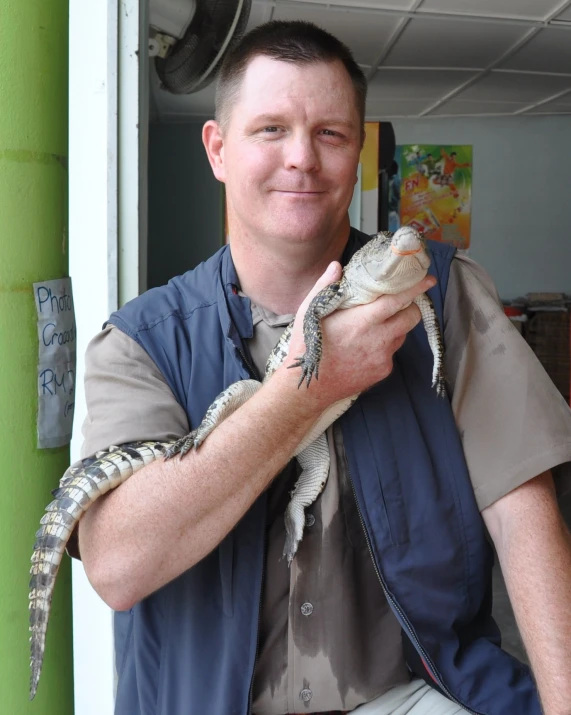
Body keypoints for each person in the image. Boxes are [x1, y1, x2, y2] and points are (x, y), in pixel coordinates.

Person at [73, 20, 571, 715]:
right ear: (217, 150)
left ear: (358, 154)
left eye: (330, 134)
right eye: (270, 129)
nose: (301, 158)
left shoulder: (444, 291)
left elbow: (522, 510)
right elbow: (119, 566)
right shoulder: (139, 343)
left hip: (413, 693)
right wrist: (310, 388)